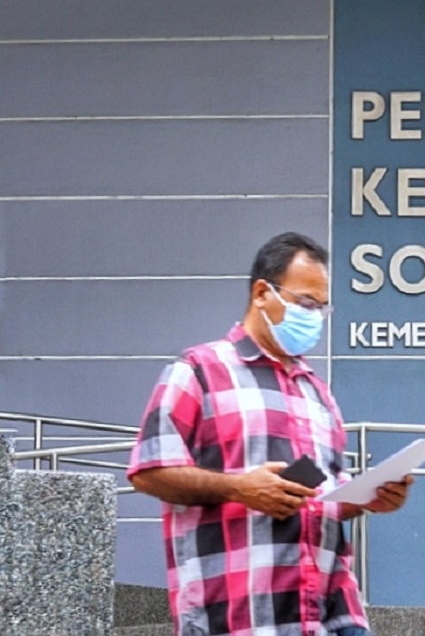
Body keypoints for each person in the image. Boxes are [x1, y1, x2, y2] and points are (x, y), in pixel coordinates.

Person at [127, 231, 410, 636]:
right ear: (262, 293)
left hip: (331, 614)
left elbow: (324, 498)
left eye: (322, 308)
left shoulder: (316, 390)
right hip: (241, 617)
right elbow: (148, 471)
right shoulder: (198, 371)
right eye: (306, 303)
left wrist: (369, 496)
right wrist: (239, 488)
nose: (314, 316)